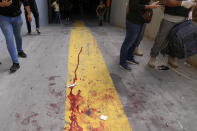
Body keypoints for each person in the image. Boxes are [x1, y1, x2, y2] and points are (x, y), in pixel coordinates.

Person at [148, 0, 196, 68]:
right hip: (169, 18)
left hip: (183, 20)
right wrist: (182, 3)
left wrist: (191, 11)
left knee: (177, 41)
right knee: (161, 39)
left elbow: (194, 2)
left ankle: (172, 57)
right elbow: (167, 2)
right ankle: (153, 57)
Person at [120, 0, 160, 71]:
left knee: (135, 41)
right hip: (133, 21)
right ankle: (122, 62)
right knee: (128, 42)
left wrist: (152, 4)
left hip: (141, 21)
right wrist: (150, 6)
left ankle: (129, 58)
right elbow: (134, 6)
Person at [0, 0, 32, 73]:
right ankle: (15, 62)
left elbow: (25, 1)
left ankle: (20, 51)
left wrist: (29, 14)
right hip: (3, 18)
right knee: (9, 38)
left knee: (18, 36)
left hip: (17, 17)